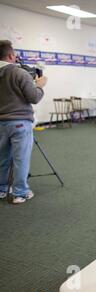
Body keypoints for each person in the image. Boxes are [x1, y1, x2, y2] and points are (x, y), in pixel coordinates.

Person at [0, 40, 48, 204]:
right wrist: (40, 86)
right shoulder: (19, 73)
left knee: (3, 158)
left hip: (1, 123)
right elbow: (34, 97)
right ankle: (20, 192)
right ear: (11, 55)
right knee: (21, 158)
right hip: (20, 122)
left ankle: (2, 189)